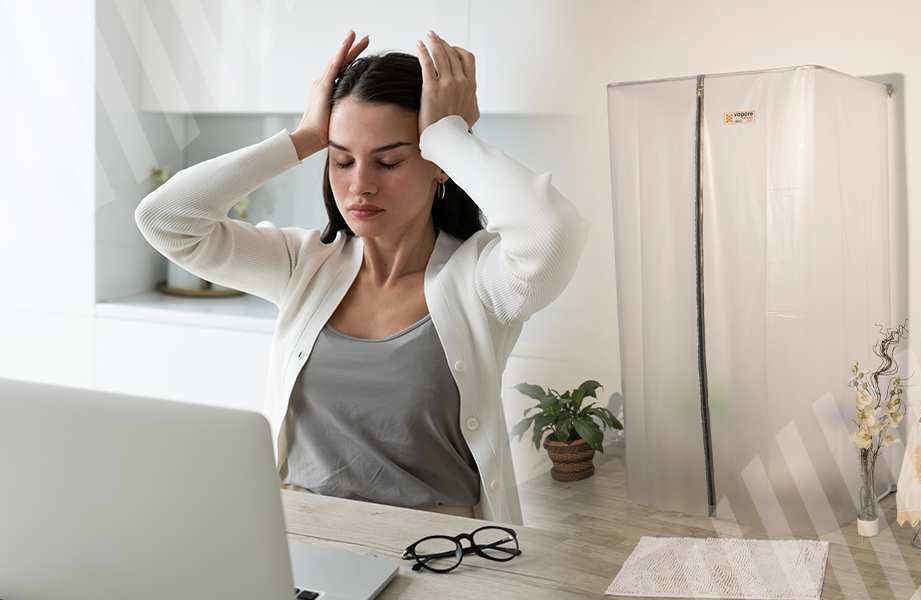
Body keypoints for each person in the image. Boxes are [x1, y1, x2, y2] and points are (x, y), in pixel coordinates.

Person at [135, 30, 588, 524]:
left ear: (440, 167)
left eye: (389, 160)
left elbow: (554, 232)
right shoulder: (303, 264)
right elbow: (165, 219)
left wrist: (448, 136)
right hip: (299, 544)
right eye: (342, 160)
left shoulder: (481, 280)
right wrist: (304, 138)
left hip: (436, 554)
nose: (360, 185)